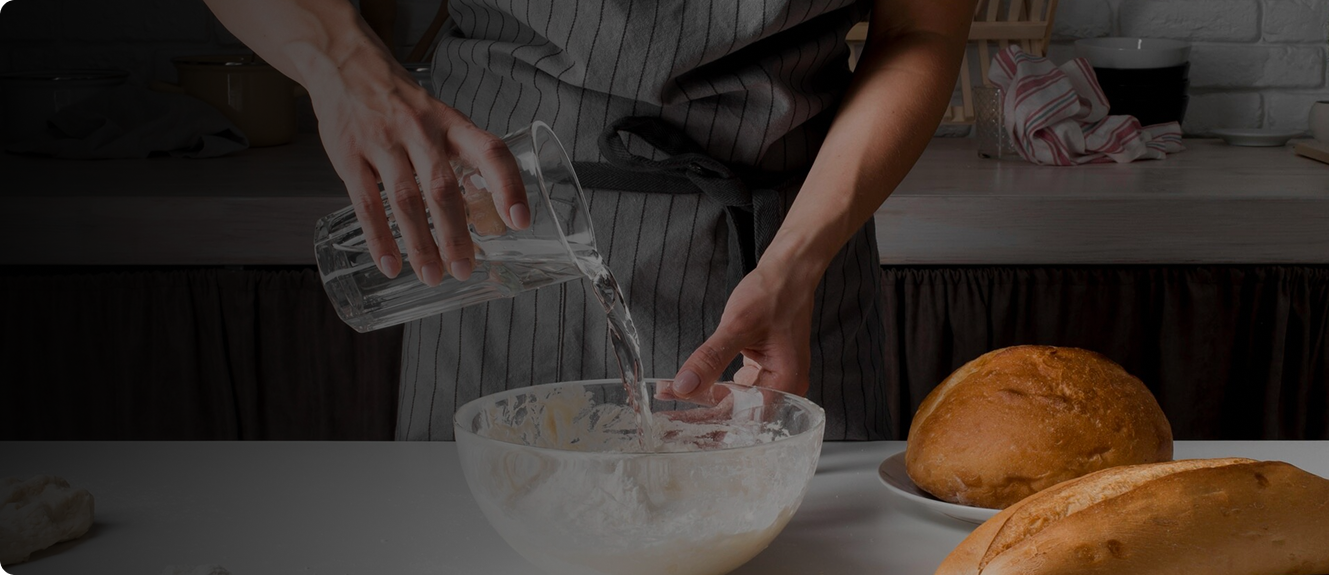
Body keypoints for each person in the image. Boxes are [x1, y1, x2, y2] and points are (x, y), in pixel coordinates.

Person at [205, 0, 974, 441]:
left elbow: (921, 29)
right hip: (492, 230)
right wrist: (344, 66)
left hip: (784, 244)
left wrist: (797, 259)